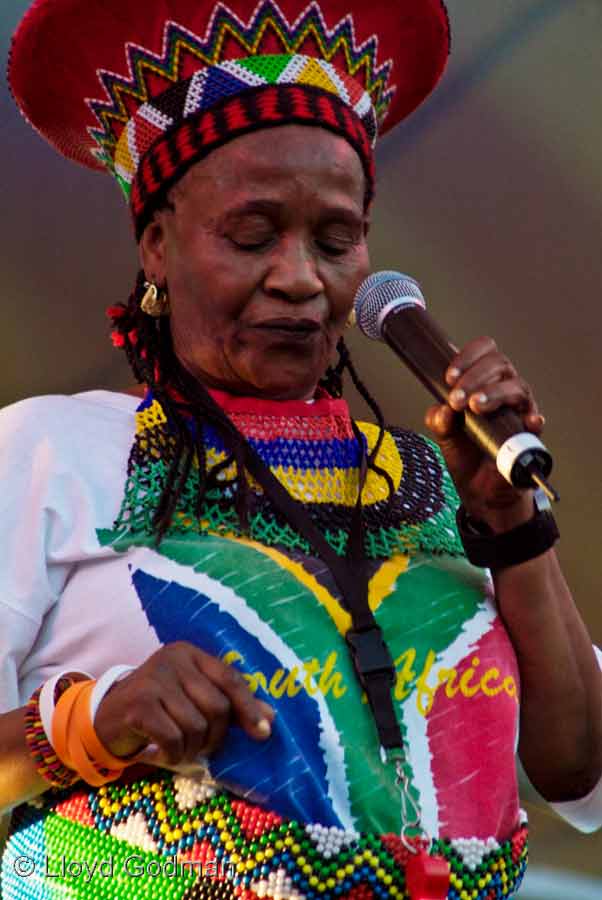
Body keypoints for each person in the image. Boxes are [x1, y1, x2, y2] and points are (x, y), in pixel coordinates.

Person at [1, 1, 601, 898]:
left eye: (336, 239)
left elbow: (576, 775)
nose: (299, 276)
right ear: (158, 245)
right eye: (252, 235)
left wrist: (515, 531)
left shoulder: (448, 478)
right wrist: (94, 721)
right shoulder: (51, 449)